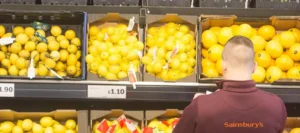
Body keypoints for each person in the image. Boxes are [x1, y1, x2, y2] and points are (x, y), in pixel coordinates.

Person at [173, 36, 287, 133]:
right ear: (255, 67)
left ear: (223, 66)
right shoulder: (277, 106)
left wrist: (197, 105)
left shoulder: (201, 106)